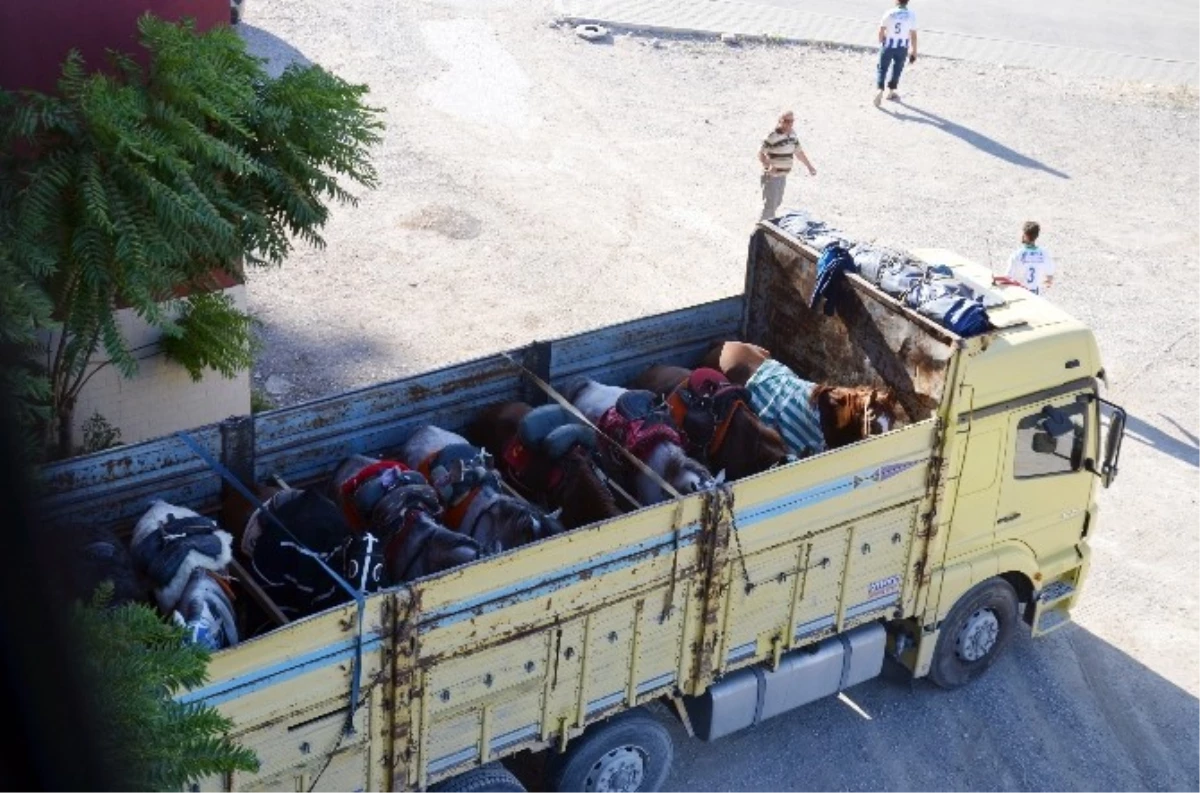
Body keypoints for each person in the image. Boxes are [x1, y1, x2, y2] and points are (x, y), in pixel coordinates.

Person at [758, 111, 816, 221]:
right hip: (771, 176)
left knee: (777, 202)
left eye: (791, 121)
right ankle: (761, 233)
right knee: (770, 207)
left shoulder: (793, 135)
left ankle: (765, 229)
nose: (789, 124)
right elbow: (760, 153)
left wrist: (809, 166)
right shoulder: (772, 135)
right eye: (786, 121)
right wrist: (768, 166)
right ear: (780, 121)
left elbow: (798, 152)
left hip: (782, 175)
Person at [874, 0, 918, 107]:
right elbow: (913, 35)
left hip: (888, 45)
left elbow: (881, 31)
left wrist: (881, 41)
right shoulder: (911, 15)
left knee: (882, 68)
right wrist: (914, 51)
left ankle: (879, 89)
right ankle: (891, 91)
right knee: (897, 68)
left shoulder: (889, 13)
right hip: (902, 47)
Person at [1006, 221, 1056, 294]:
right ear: (1036, 236)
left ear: (1025, 235)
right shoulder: (1044, 254)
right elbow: (1049, 277)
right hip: (1036, 296)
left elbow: (1008, 278)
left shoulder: (1017, 255)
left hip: (1021, 294)